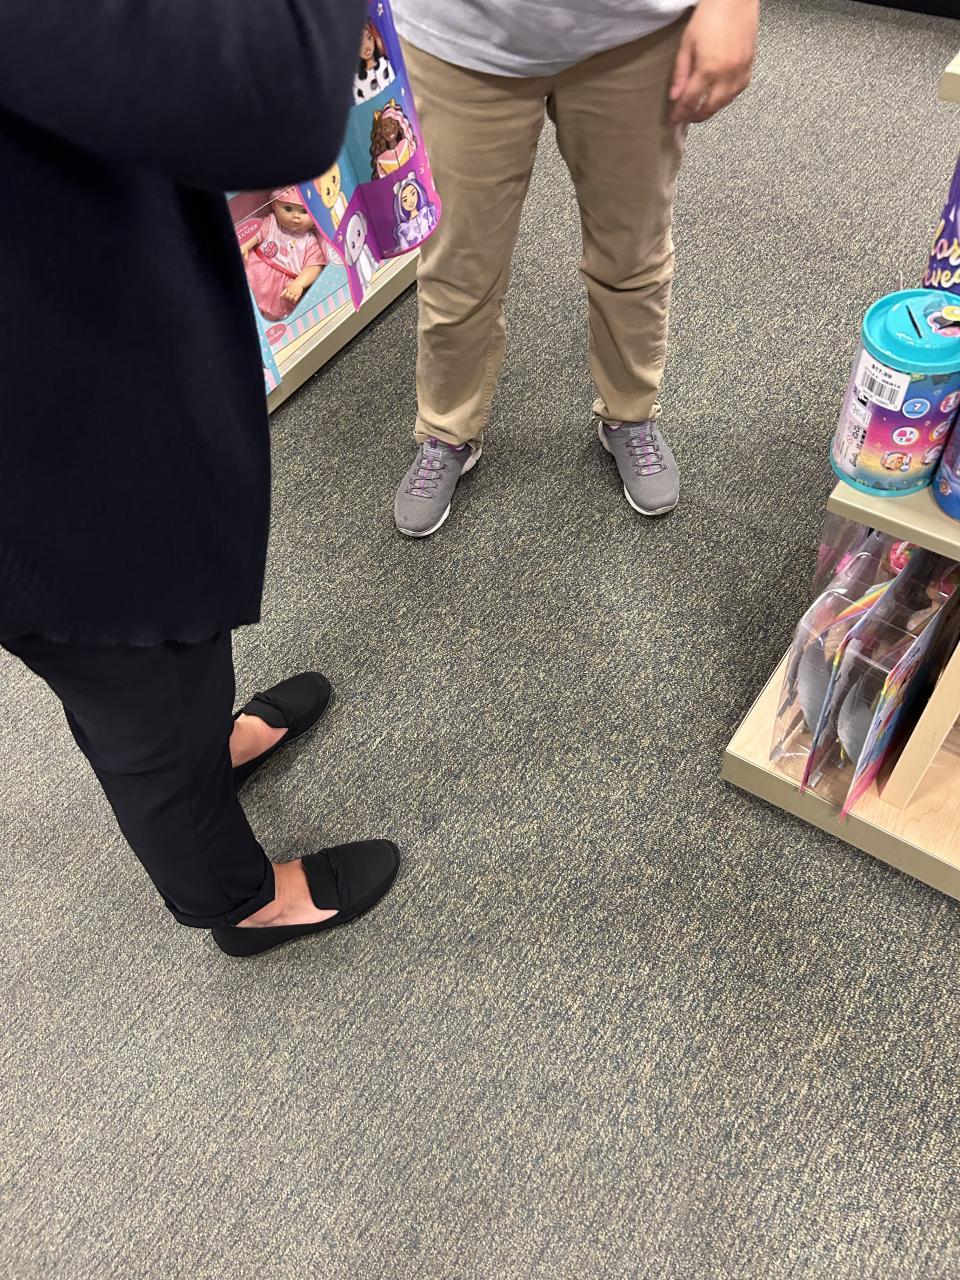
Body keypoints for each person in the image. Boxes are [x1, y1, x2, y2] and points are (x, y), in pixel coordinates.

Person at [0, 0, 399, 959]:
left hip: (70, 293)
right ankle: (237, 900)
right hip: (45, 439)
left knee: (158, 646)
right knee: (130, 664)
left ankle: (201, 751)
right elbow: (272, 97)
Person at [391, 0, 759, 538]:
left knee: (632, 250)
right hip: (458, 37)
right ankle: (446, 429)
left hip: (634, 32)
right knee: (457, 266)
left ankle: (629, 413)